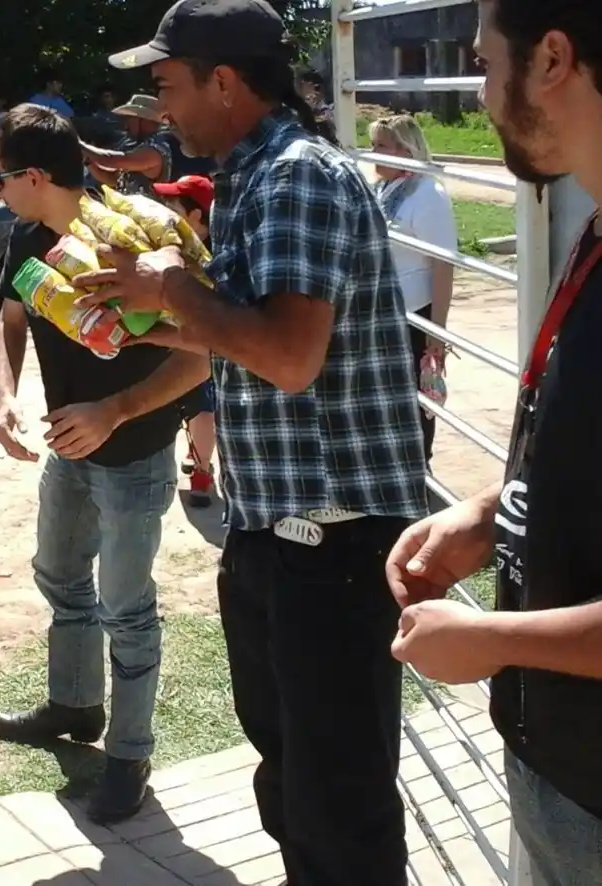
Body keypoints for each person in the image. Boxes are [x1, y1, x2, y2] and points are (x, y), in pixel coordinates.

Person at [87, 1, 429, 881]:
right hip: (277, 533)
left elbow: (285, 355)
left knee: (337, 807)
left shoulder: (297, 178)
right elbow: (239, 332)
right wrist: (137, 321)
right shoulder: (252, 176)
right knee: (295, 792)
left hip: (335, 541)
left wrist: (168, 292)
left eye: (166, 86)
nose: (159, 108)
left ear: (225, 81)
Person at [387, 3, 602, 883]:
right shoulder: (593, 225)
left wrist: (498, 640)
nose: (477, 93)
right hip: (563, 766)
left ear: (550, 58)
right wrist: (492, 514)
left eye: (482, 63)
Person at [0, 104, 210, 823]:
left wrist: (113, 412)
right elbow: (10, 320)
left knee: (126, 610)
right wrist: (3, 397)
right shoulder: (24, 236)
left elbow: (201, 353)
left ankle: (128, 755)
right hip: (67, 450)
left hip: (134, 458)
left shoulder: (130, 241)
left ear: (34, 175)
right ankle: (75, 705)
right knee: (57, 576)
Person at [370, 113, 457, 466]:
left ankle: (418, 464)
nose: (373, 152)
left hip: (416, 313)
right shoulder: (382, 190)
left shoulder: (427, 194)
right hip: (383, 312)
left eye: (381, 145)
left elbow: (443, 265)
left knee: (415, 396)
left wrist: (437, 329)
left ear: (405, 151)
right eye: (372, 144)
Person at [152, 174, 218, 505]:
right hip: (192, 341)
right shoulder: (214, 245)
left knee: (200, 405)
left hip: (196, 344)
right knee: (198, 406)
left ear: (195, 215)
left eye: (173, 205)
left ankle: (202, 472)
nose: (165, 210)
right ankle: (199, 460)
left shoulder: (198, 253)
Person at [84, 94, 169, 196]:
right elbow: (113, 179)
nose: (125, 125)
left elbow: (111, 160)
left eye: (130, 118)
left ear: (144, 119)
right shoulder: (133, 144)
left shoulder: (156, 148)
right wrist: (87, 160)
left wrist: (79, 145)